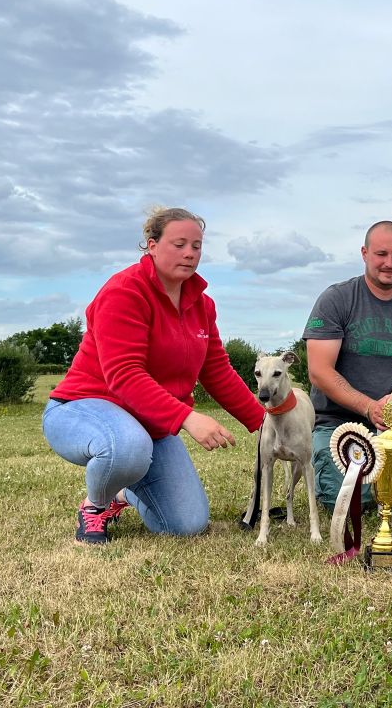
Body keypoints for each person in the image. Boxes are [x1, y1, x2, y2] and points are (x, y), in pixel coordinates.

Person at [43, 207, 266, 545]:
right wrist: (187, 417)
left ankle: (122, 495)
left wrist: (265, 420)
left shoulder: (203, 305)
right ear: (152, 245)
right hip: (82, 408)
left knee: (187, 524)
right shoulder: (123, 292)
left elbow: (216, 369)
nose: (190, 253)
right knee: (128, 446)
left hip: (151, 423)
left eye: (197, 246)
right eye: (179, 244)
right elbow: (124, 375)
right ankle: (95, 506)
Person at [304, 220, 392, 510]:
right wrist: (370, 407)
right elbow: (319, 371)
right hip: (343, 425)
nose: (389, 263)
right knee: (351, 502)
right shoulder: (336, 299)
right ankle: (325, 472)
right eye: (381, 254)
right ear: (365, 253)